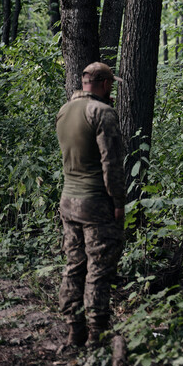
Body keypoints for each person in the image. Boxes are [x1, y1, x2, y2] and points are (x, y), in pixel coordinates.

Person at [55, 61, 126, 349]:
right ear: (105, 84)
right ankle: (97, 334)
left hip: (68, 202)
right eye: (111, 85)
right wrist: (118, 201)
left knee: (74, 266)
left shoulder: (64, 111)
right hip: (95, 203)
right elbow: (111, 163)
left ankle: (74, 331)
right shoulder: (102, 112)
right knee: (98, 269)